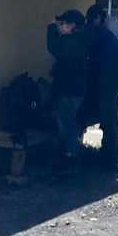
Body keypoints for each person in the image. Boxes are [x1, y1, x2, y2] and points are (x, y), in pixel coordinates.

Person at [82, 3, 118, 174]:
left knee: (108, 116)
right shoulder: (108, 30)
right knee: (110, 116)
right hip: (117, 75)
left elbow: (96, 62)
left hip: (112, 77)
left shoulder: (101, 33)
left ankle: (110, 159)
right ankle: (109, 156)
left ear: (97, 18)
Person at [47, 10, 89, 162]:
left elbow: (54, 47)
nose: (61, 26)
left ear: (72, 25)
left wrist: (51, 28)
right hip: (77, 90)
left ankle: (69, 156)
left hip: (68, 90)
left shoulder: (70, 42)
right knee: (70, 123)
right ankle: (70, 154)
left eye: (63, 23)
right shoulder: (82, 40)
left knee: (67, 124)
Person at [88, 1, 118, 83]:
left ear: (98, 17)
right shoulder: (110, 23)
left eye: (91, 20)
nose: (91, 24)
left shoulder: (110, 28)